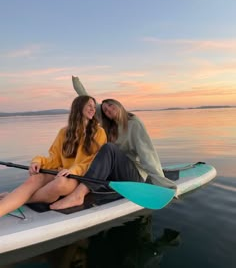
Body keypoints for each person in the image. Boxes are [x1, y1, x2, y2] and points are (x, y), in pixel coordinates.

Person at [49, 77, 176, 210]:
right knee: (96, 152)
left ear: (119, 105)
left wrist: (164, 185)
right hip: (115, 172)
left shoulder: (134, 124)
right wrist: (75, 80)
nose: (108, 110)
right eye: (105, 111)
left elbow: (148, 154)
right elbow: (86, 99)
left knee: (109, 148)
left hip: (134, 177)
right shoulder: (109, 125)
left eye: (110, 105)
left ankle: (79, 195)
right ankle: (68, 187)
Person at [0, 95, 107, 217]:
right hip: (59, 172)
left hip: (78, 177)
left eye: (94, 106)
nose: (93, 109)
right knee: (35, 178)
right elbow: (54, 158)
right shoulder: (64, 132)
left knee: (60, 183)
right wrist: (38, 161)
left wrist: (72, 170)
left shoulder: (99, 132)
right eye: (89, 105)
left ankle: (12, 197)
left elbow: (92, 162)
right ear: (78, 107)